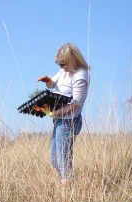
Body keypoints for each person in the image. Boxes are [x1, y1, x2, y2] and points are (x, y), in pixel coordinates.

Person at [34, 43, 90, 186]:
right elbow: (53, 85)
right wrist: (49, 82)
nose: (60, 67)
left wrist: (53, 112)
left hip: (69, 122)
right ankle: (66, 183)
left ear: (73, 60)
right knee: (55, 160)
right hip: (59, 121)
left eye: (63, 64)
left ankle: (68, 193)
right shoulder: (64, 71)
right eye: (58, 64)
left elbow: (76, 104)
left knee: (63, 161)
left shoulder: (80, 76)